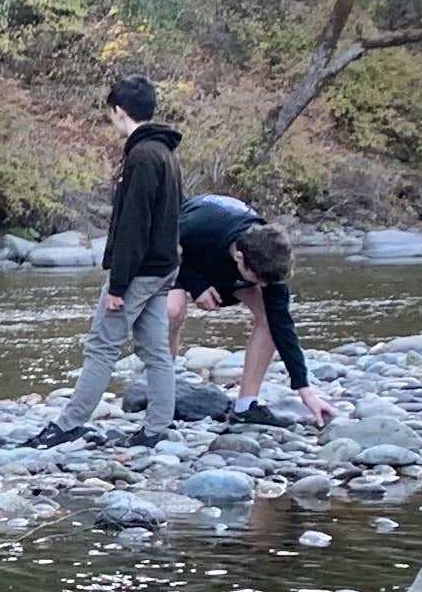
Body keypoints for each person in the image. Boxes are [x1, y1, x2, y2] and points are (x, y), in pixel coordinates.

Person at [26, 75, 185, 445]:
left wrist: (118, 284)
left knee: (101, 346)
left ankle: (68, 425)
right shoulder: (165, 153)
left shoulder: (142, 156)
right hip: (163, 267)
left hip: (141, 270)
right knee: (155, 350)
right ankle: (157, 428)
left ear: (119, 111)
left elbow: (133, 225)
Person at [174, 194, 326, 426]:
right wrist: (197, 286)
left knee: (269, 316)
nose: (264, 286)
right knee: (172, 310)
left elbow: (282, 327)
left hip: (226, 271)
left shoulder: (269, 256)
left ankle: (246, 405)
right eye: (259, 280)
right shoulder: (198, 227)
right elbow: (158, 247)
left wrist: (305, 390)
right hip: (181, 257)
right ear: (239, 257)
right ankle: (161, 390)